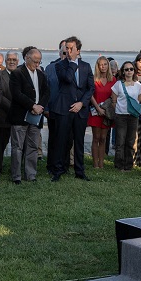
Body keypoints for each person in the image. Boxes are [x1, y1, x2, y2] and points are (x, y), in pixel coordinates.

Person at [48, 36, 93, 182]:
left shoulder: (86, 66)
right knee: (61, 141)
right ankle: (58, 170)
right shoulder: (60, 65)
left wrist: (82, 103)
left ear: (78, 50)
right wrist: (72, 62)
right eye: (66, 48)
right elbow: (67, 79)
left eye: (71, 48)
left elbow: (90, 88)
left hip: (80, 110)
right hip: (64, 109)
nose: (68, 51)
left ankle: (80, 171)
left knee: (79, 141)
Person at [7, 47, 48, 183]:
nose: (37, 65)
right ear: (27, 58)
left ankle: (31, 174)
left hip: (36, 116)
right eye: (35, 61)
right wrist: (32, 106)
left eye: (39, 62)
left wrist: (40, 107)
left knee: (33, 146)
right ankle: (16, 176)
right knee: (17, 147)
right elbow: (17, 94)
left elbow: (47, 93)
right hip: (20, 115)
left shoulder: (41, 75)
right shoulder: (17, 73)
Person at [111, 61, 141, 170]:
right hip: (121, 115)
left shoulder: (138, 85)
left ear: (134, 71)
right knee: (120, 141)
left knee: (130, 141)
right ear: (123, 72)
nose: (129, 71)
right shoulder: (118, 84)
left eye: (131, 69)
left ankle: (128, 165)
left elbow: (138, 100)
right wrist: (117, 110)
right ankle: (119, 165)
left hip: (133, 116)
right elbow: (113, 100)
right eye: (126, 69)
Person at [88, 56, 115, 170]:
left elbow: (114, 96)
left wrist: (108, 109)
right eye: (101, 64)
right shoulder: (94, 79)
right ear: (98, 66)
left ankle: (101, 163)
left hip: (106, 113)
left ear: (108, 66)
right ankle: (95, 164)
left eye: (105, 64)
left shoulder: (113, 79)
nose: (103, 67)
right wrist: (98, 109)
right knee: (96, 138)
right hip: (95, 112)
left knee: (103, 138)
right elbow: (90, 95)